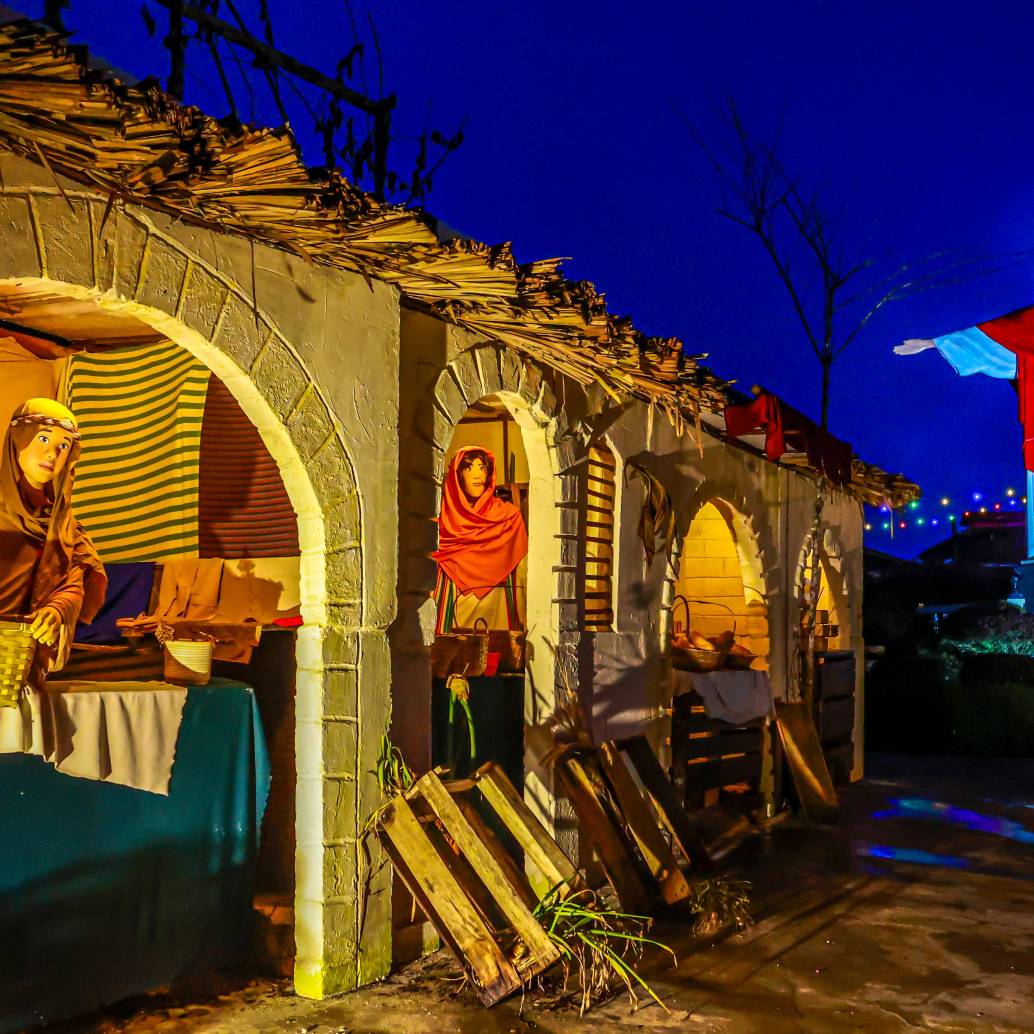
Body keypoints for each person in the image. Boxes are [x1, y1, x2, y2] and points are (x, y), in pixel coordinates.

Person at [0, 398, 106, 714]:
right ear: (19, 438)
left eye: (63, 447)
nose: (52, 454)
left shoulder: (61, 524)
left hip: (17, 664)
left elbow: (73, 581)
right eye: (44, 438)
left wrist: (57, 611)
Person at [432, 446, 528, 633]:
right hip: (456, 621)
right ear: (457, 475)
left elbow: (523, 572)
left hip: (500, 614)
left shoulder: (509, 518)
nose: (477, 475)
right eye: (469, 468)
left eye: (482, 467)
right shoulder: (443, 522)